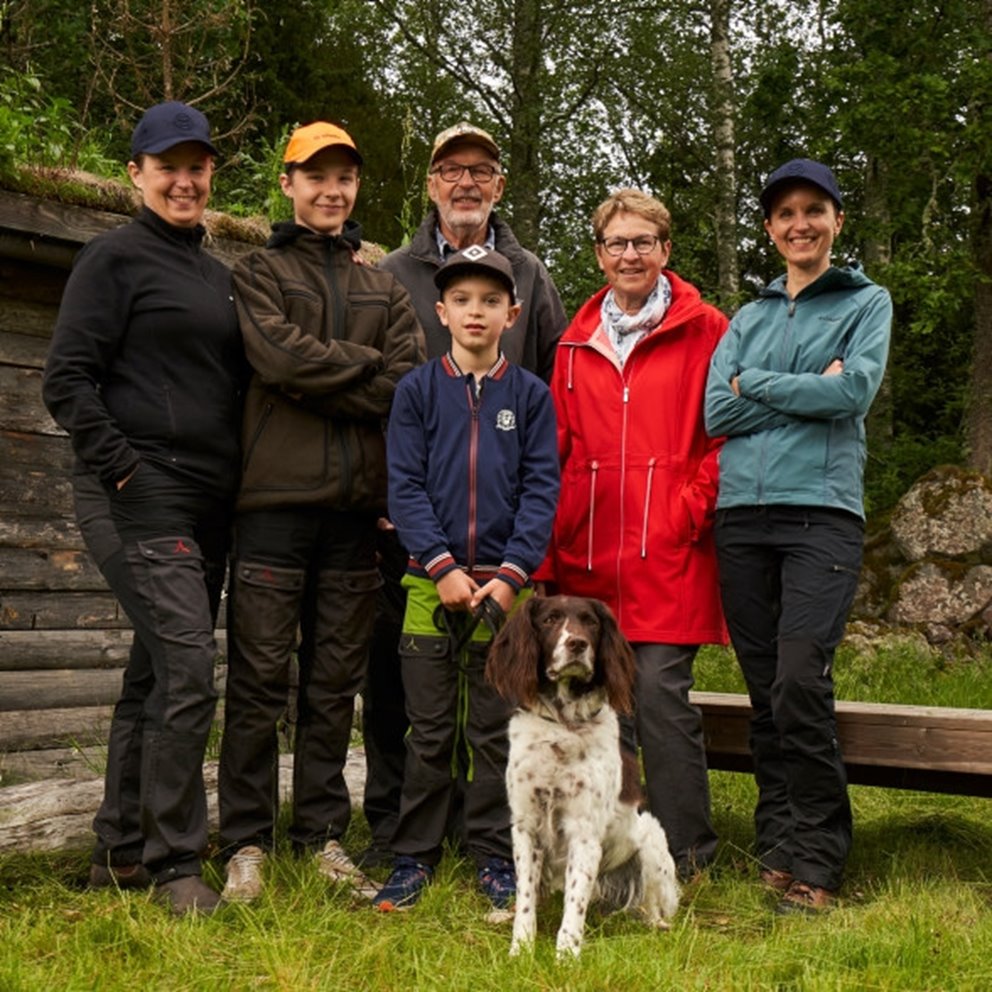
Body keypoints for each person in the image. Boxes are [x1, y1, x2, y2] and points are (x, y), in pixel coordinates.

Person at [42, 101, 244, 915]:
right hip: (137, 493)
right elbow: (66, 380)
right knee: (191, 667)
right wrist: (125, 468)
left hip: (208, 503)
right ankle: (174, 863)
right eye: (168, 166)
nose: (184, 179)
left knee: (156, 671)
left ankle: (118, 850)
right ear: (137, 173)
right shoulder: (112, 259)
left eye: (197, 166)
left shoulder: (220, 276)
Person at [216, 121, 424, 904]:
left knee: (334, 682)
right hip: (272, 506)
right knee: (261, 680)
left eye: (344, 177)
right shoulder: (257, 270)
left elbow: (405, 384)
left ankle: (322, 836)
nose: (331, 191)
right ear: (288, 183)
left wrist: (322, 374)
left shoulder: (384, 286)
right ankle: (245, 842)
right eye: (316, 176)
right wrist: (362, 366)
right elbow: (274, 357)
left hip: (354, 517)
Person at [362, 121, 567, 865]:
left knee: (493, 722)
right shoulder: (392, 276)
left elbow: (543, 478)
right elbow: (403, 473)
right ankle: (408, 849)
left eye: (481, 168)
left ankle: (492, 854)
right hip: (423, 566)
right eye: (450, 168)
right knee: (415, 714)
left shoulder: (533, 283)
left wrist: (516, 571)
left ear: (508, 313)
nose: (465, 181)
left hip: (505, 579)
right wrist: (437, 559)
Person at [704, 158, 892, 914]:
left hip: (822, 514)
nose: (800, 224)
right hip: (742, 519)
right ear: (770, 230)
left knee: (798, 682)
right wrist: (805, 389)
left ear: (837, 221)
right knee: (762, 694)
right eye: (785, 214)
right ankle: (777, 844)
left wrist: (761, 386)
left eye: (815, 210)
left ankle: (818, 857)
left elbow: (854, 391)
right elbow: (717, 412)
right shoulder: (746, 317)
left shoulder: (865, 301)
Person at [539, 189, 729, 881]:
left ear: (665, 250)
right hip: (586, 562)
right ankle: (600, 853)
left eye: (643, 242)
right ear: (598, 254)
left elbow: (726, 436)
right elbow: (551, 451)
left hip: (667, 554)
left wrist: (688, 509)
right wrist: (552, 541)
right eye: (616, 243)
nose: (629, 254)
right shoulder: (570, 342)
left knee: (657, 696)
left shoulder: (707, 328)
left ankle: (686, 854)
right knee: (583, 710)